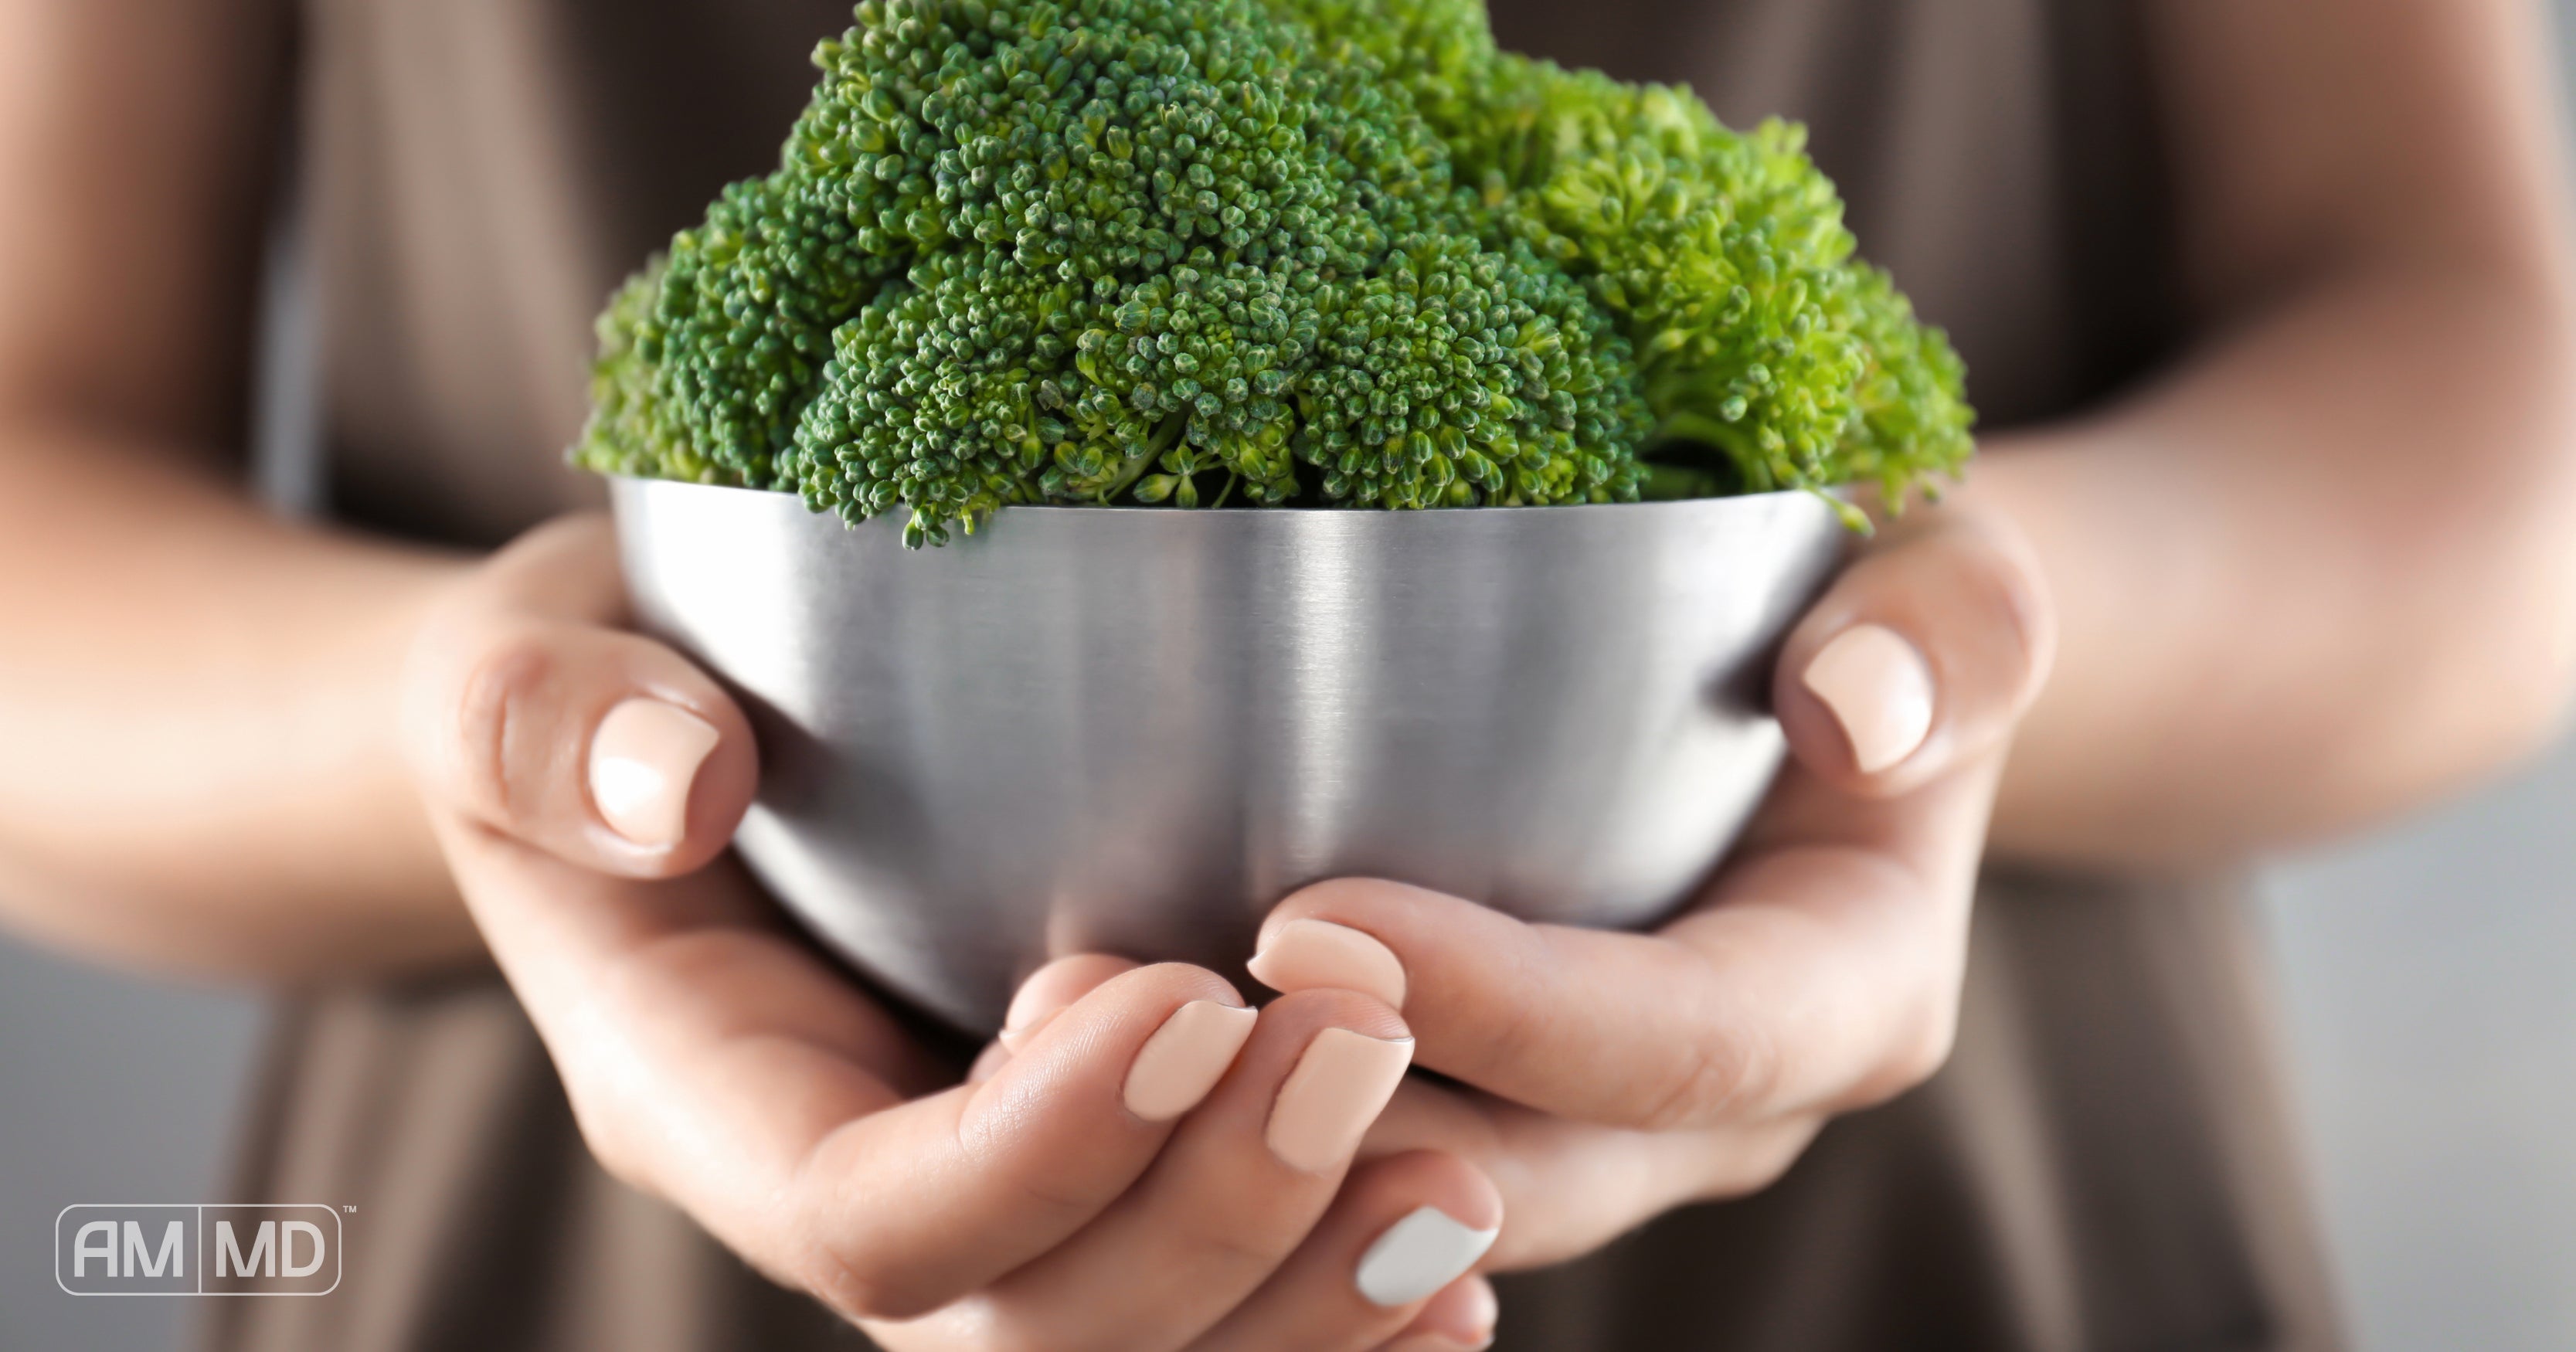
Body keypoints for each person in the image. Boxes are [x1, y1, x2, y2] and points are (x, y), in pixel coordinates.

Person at [2, 0, 2571, 1347]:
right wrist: (497, 738)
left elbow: (2488, 417)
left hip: (1946, 1232)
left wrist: (1923, 661)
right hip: (578, 1229)